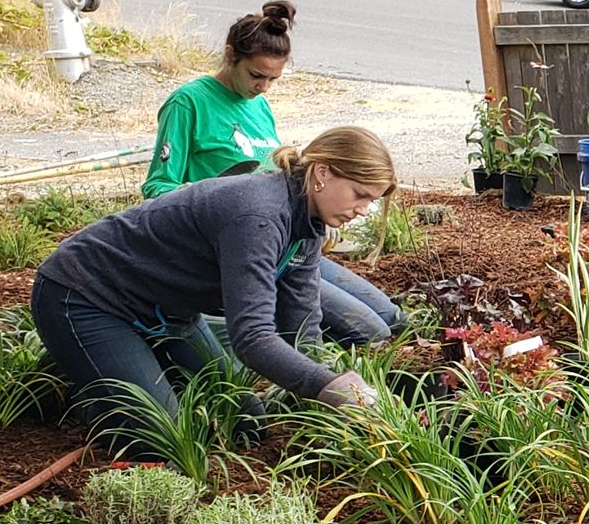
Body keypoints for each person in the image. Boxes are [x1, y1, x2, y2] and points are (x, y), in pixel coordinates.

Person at [36, 128, 395, 457]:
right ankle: (92, 385)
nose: (362, 210)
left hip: (168, 313)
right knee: (166, 442)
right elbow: (252, 338)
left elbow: (300, 327)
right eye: (359, 194)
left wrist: (330, 392)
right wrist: (329, 386)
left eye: (371, 201)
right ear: (322, 173)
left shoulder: (308, 225)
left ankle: (117, 370)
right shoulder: (259, 216)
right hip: (86, 296)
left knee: (245, 421)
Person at [143, 0, 404, 347]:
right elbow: (157, 187)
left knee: (389, 316)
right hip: (242, 243)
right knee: (366, 332)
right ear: (230, 55)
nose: (263, 87)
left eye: (273, 79)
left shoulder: (260, 106)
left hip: (287, 239)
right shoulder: (189, 102)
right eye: (256, 75)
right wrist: (207, 198)